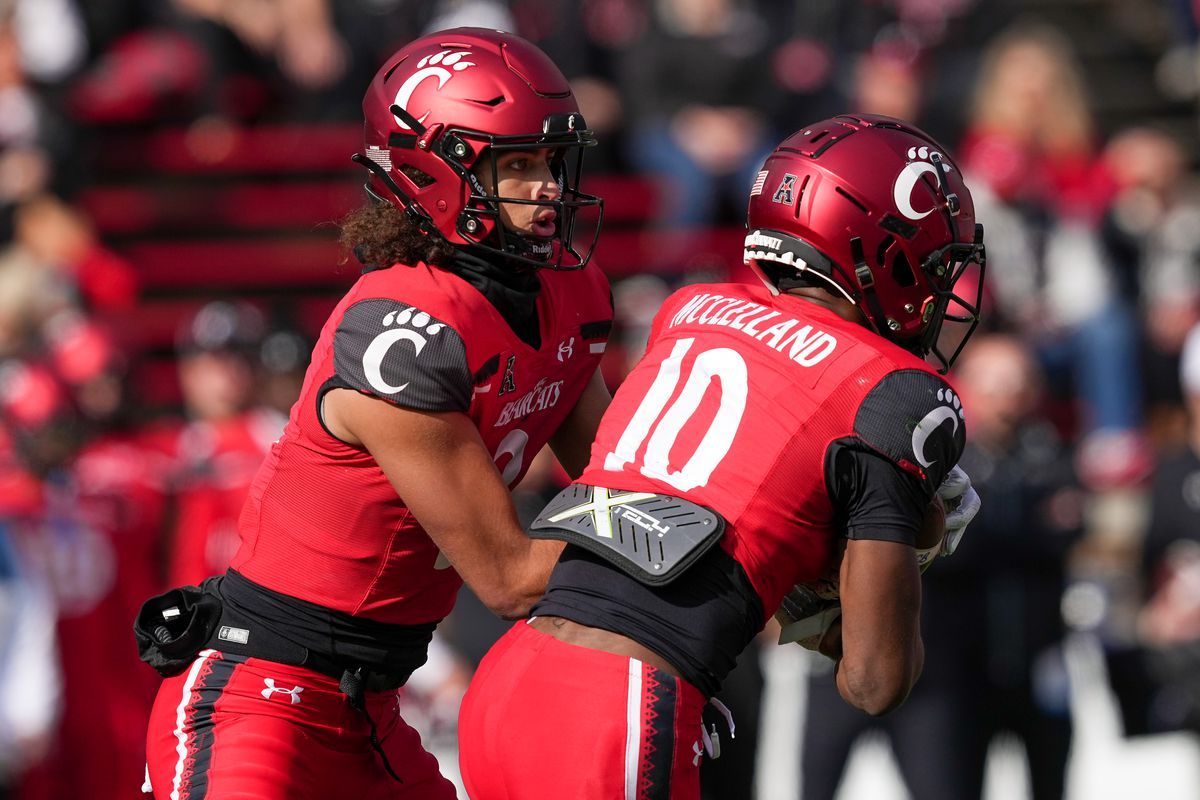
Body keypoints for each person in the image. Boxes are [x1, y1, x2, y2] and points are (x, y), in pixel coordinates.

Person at [138, 27, 612, 800]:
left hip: (372, 714)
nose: (550, 188)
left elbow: (616, 486)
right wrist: (716, 555)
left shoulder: (568, 295)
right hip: (256, 702)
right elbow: (513, 578)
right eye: (518, 165)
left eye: (552, 162)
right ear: (434, 172)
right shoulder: (400, 331)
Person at [458, 113, 986, 798]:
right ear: (884, 250)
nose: (943, 288)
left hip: (508, 686)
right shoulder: (895, 394)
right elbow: (875, 680)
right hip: (618, 702)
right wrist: (900, 555)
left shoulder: (691, 308)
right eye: (938, 263)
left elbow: (723, 514)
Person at [801, 334, 1084, 800]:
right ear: (967, 389)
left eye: (1020, 384)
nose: (1009, 399)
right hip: (950, 668)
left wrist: (994, 531)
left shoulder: (1047, 451)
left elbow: (1068, 529)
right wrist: (1025, 528)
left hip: (1030, 660)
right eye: (995, 386)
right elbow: (952, 550)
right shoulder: (943, 457)